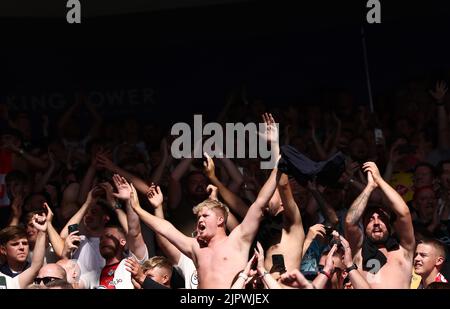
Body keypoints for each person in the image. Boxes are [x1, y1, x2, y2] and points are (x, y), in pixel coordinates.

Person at [344, 162, 415, 288]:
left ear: (390, 225)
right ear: (364, 227)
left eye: (381, 218)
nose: (376, 223)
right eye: (370, 219)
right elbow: (350, 222)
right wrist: (370, 187)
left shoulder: (404, 249)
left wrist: (379, 180)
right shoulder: (357, 252)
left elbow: (404, 213)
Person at [0, 213, 48, 288]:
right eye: (15, 244)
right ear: (3, 250)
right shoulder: (1, 274)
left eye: (25, 243)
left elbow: (36, 266)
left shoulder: (40, 274)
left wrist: (42, 231)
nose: (22, 247)